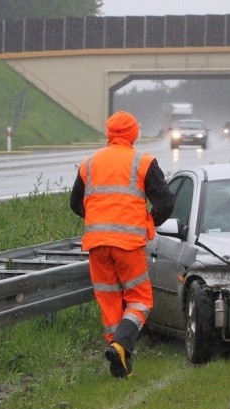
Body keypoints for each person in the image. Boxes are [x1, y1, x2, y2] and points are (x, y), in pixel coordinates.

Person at [70, 111, 175, 378]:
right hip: (128, 244)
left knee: (110, 301)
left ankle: (120, 362)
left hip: (96, 244)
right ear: (134, 134)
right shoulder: (144, 162)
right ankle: (120, 346)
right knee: (139, 300)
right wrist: (148, 221)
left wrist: (99, 219)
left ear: (109, 134)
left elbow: (75, 203)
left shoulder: (89, 163)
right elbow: (166, 202)